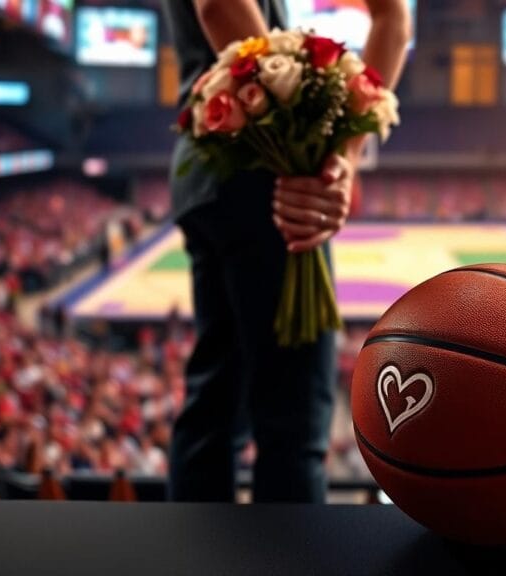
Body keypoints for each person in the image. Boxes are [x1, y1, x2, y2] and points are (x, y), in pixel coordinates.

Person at [162, 0, 411, 502]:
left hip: (206, 168)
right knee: (294, 422)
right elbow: (394, 17)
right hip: (268, 174)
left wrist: (341, 154)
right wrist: (329, 159)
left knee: (216, 403)